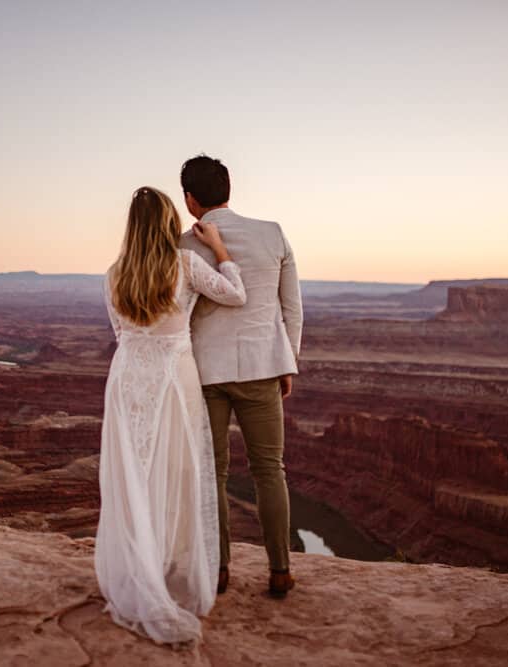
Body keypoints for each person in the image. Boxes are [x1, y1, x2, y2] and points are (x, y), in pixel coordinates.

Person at [94, 185, 246, 645]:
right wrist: (220, 249)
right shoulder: (185, 264)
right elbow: (235, 294)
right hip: (171, 379)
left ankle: (140, 573)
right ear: (166, 224)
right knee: (176, 473)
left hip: (127, 381)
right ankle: (166, 574)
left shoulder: (114, 273)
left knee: (133, 476)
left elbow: (121, 331)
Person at [178, 154, 304, 599]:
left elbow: (176, 315)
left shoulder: (182, 244)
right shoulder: (272, 233)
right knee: (270, 470)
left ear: (190, 200)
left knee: (212, 473)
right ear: (227, 190)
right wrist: (288, 362)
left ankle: (219, 571)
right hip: (262, 369)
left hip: (204, 374)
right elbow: (292, 307)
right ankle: (280, 569)